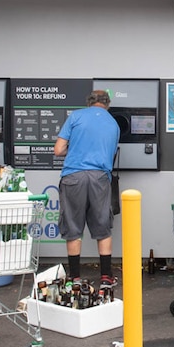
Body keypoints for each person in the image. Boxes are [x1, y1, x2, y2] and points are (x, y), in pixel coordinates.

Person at [54, 90, 120, 291]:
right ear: (107, 104)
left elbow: (58, 150)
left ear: (89, 103)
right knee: (102, 225)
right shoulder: (114, 124)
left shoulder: (76, 116)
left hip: (73, 176)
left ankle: (74, 278)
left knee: (73, 227)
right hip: (100, 177)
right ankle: (106, 277)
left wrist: (73, 149)